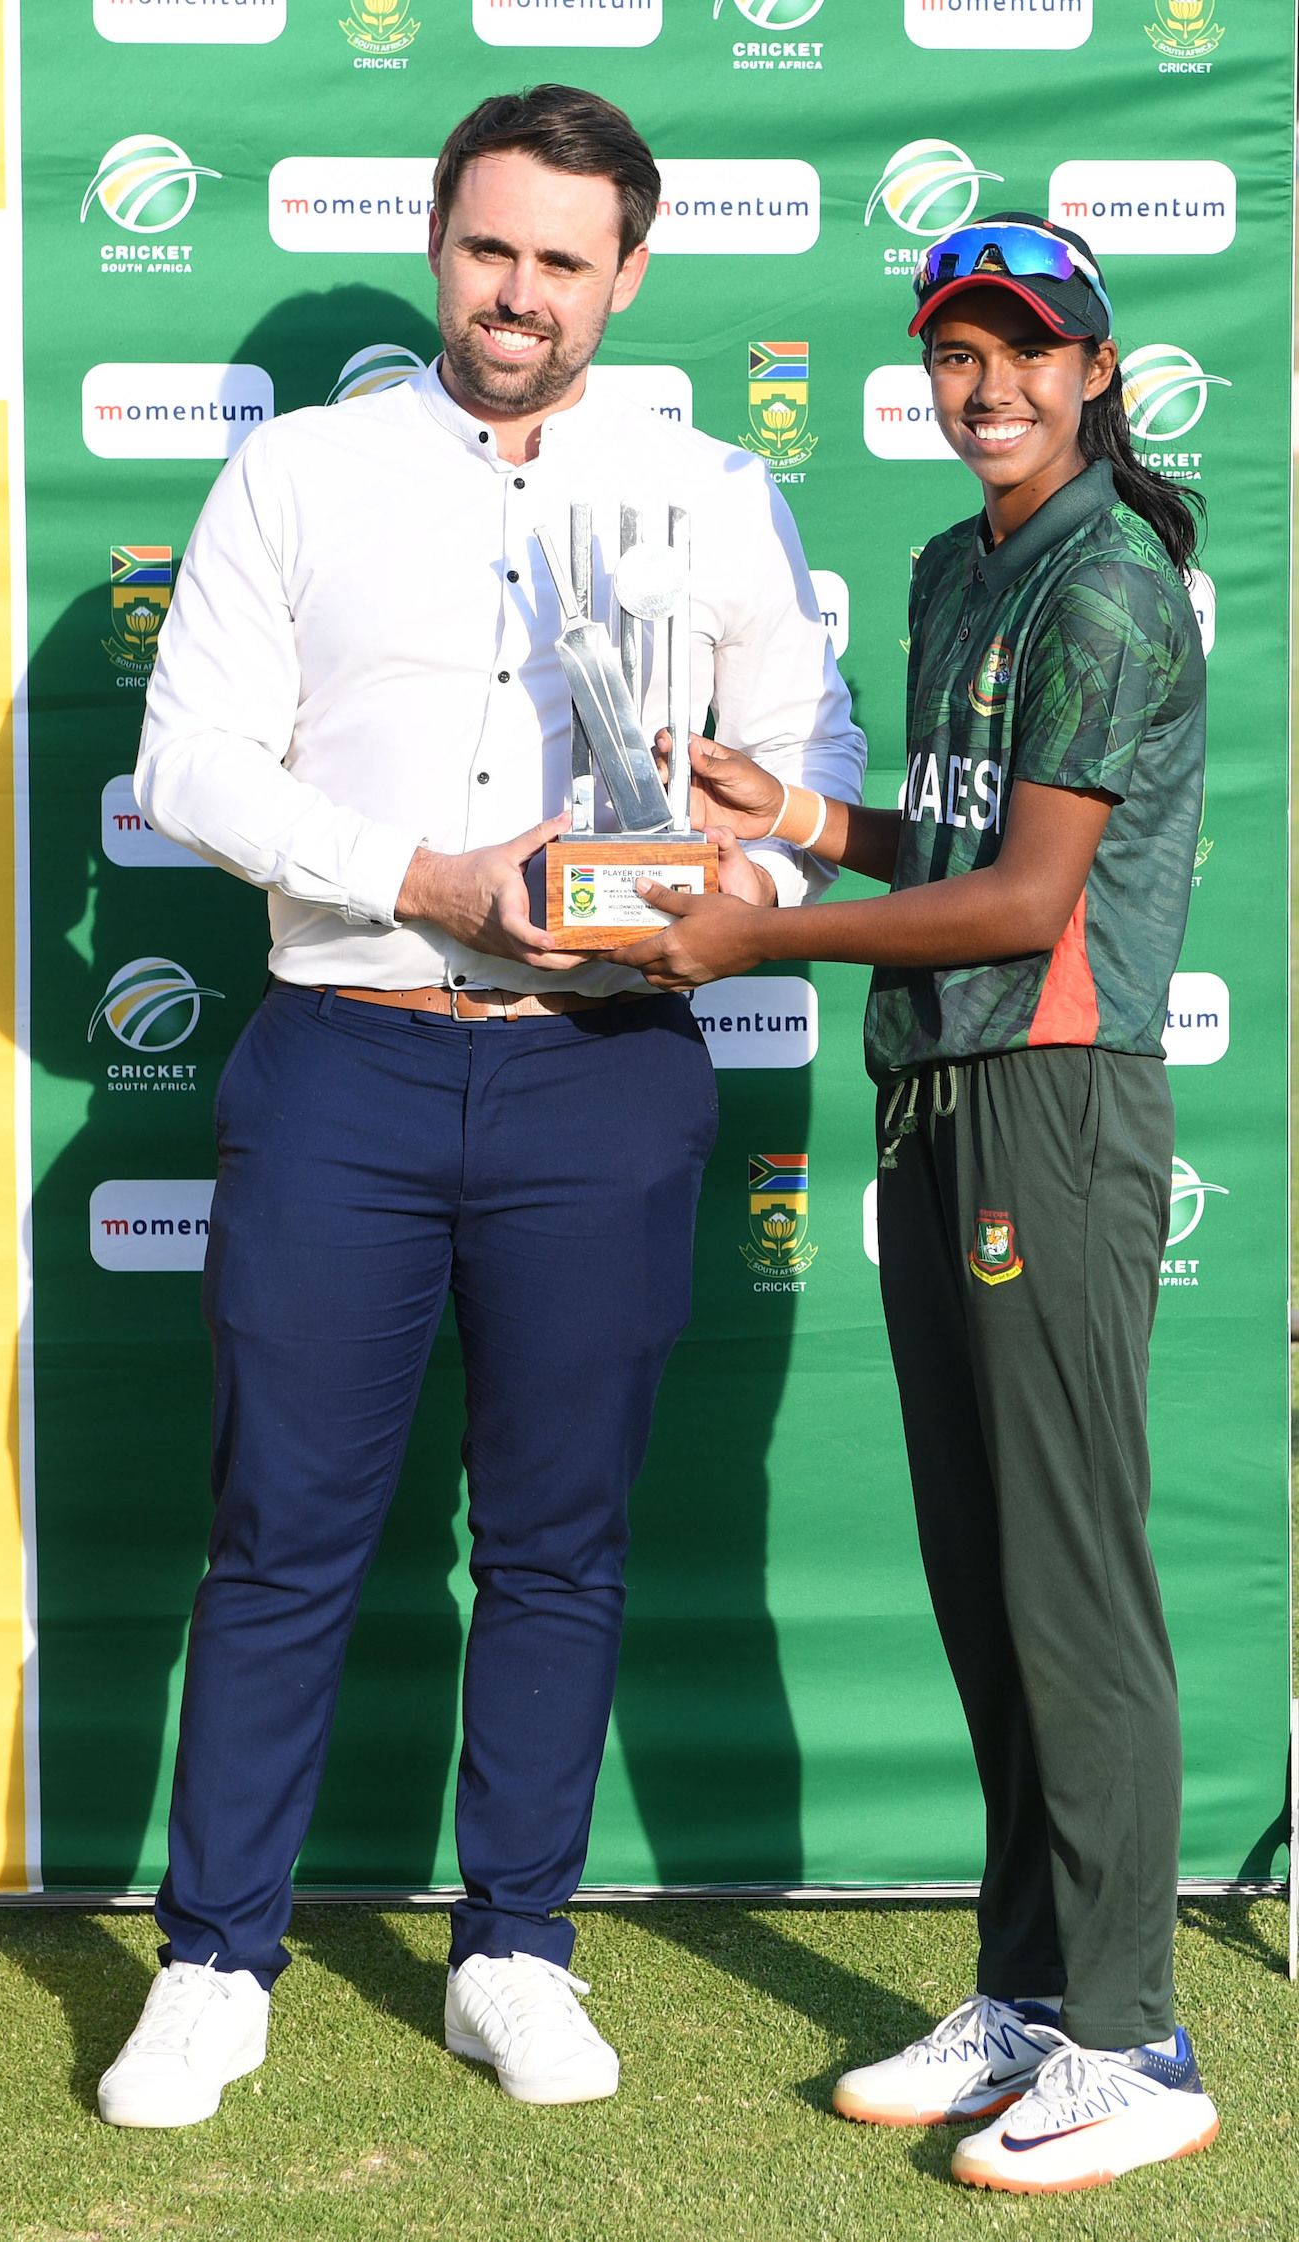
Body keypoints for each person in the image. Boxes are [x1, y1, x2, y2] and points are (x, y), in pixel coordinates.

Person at [97, 83, 865, 2127]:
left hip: (601, 1073)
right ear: (442, 239)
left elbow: (805, 762)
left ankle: (514, 1940)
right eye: (485, 246)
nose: (513, 293)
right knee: (282, 1535)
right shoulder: (304, 474)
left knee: (556, 1540)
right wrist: (431, 881)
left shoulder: (705, 490)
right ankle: (214, 1955)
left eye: (558, 258)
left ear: (627, 269)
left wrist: (735, 903)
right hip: (344, 1046)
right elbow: (191, 765)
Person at [617, 215, 1217, 2194]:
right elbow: (951, 833)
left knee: (1068, 1576)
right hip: (938, 1086)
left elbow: (1029, 901)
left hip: (1050, 1092)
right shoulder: (958, 564)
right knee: (982, 1575)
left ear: (1095, 375)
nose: (988, 386)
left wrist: (769, 923)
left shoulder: (1112, 575)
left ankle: (1133, 2032)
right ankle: (1033, 1987)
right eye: (958, 352)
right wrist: (791, 818)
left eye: (1025, 353)